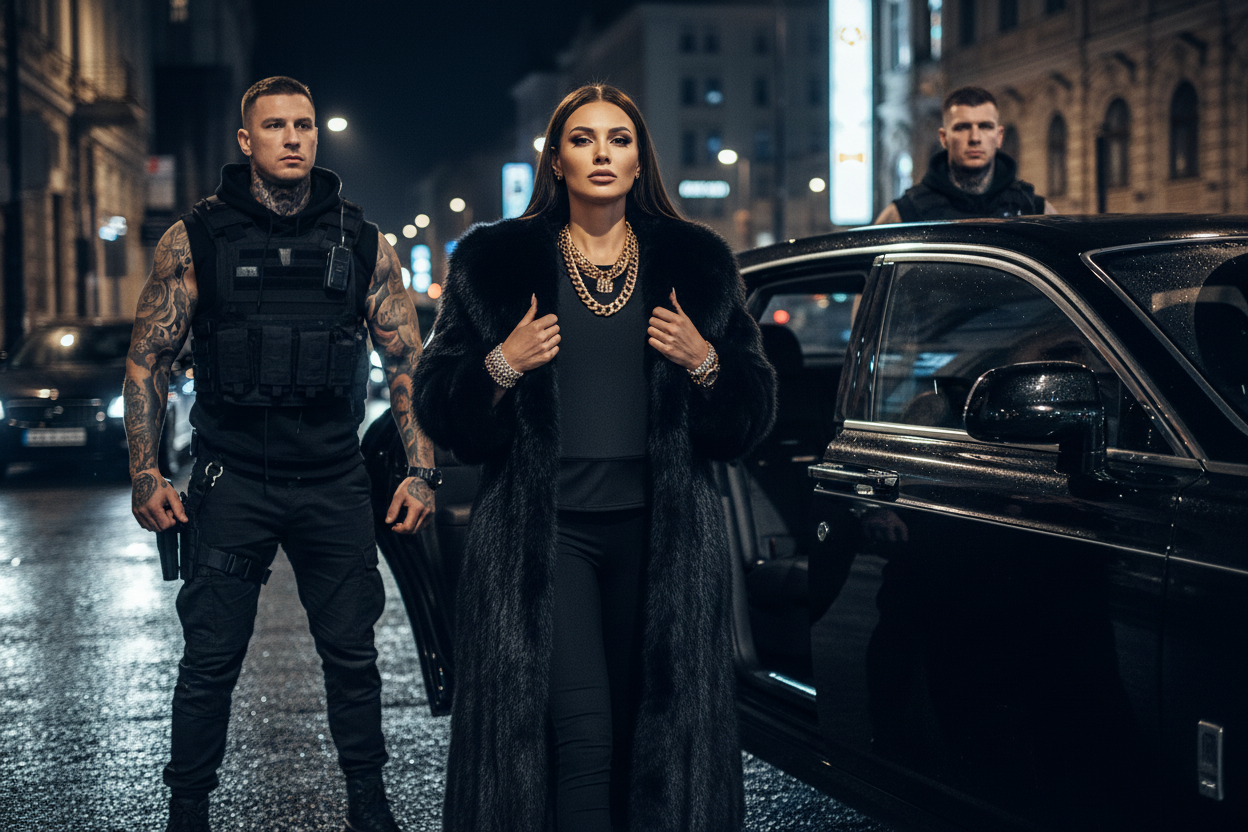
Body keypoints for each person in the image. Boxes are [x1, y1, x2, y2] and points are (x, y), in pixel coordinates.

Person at [412, 83, 776, 832]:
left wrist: (706, 359)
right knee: (579, 738)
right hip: (543, 537)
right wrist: (502, 365)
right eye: (583, 139)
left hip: (662, 536)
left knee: (652, 738)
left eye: (618, 139)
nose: (601, 153)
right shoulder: (495, 262)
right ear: (556, 158)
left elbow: (750, 413)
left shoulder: (697, 262)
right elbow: (439, 403)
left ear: (640, 160)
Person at [125, 76, 438, 832]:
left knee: (354, 662)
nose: (294, 137)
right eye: (276, 126)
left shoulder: (363, 241)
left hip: (333, 481)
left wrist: (423, 471)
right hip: (235, 481)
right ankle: (187, 811)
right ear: (247, 141)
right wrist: (145, 472)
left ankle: (370, 805)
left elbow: (407, 364)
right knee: (208, 664)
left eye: (304, 125)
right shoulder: (194, 238)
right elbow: (147, 361)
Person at [874, 86, 1058, 223]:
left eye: (985, 126)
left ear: (999, 136)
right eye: (962, 127)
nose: (975, 138)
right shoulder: (907, 213)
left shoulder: (1033, 210)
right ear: (944, 138)